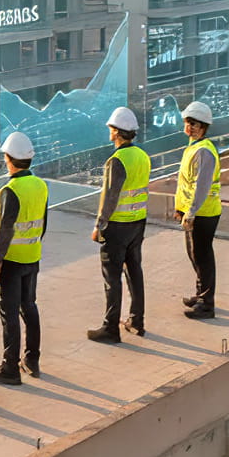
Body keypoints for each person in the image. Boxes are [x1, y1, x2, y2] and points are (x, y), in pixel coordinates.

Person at [0, 131, 47, 385]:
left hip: (11, 261)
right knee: (29, 307)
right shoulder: (40, 185)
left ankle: (9, 367)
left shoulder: (9, 191)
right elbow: (43, 225)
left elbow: (4, 230)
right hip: (32, 256)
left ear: (9, 159)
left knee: (9, 313)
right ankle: (32, 359)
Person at [89, 106, 150, 344]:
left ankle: (110, 328)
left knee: (112, 278)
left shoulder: (116, 160)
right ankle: (137, 320)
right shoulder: (142, 157)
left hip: (117, 227)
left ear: (116, 132)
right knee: (135, 271)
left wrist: (99, 225)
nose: (109, 132)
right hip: (138, 222)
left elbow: (110, 197)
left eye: (111, 129)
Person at [175, 100, 222, 320]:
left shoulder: (204, 151)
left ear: (203, 127)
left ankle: (206, 303)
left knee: (202, 256)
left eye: (194, 124)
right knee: (195, 255)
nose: (190, 127)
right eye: (188, 122)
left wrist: (191, 212)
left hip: (203, 213)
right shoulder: (193, 147)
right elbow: (186, 183)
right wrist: (180, 209)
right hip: (195, 212)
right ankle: (201, 294)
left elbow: (201, 186)